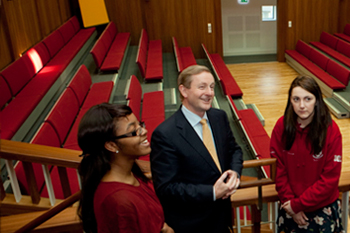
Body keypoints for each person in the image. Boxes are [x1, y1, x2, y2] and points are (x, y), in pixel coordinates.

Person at [150, 65, 243, 233]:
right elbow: (166, 187)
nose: (209, 92)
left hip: (222, 219)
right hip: (191, 223)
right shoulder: (165, 134)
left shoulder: (219, 117)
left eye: (212, 86)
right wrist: (212, 192)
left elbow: (234, 150)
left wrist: (234, 174)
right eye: (202, 87)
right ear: (184, 91)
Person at [77, 103, 174, 233]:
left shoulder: (130, 172)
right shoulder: (118, 201)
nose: (144, 131)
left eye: (140, 125)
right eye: (134, 131)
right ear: (112, 145)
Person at [270, 76, 343, 233]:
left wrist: (298, 205)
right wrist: (291, 203)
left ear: (317, 100)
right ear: (290, 100)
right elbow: (278, 169)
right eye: (296, 99)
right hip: (290, 206)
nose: (301, 105)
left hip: (321, 208)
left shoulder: (331, 130)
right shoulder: (281, 127)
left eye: (307, 99)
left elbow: (329, 179)